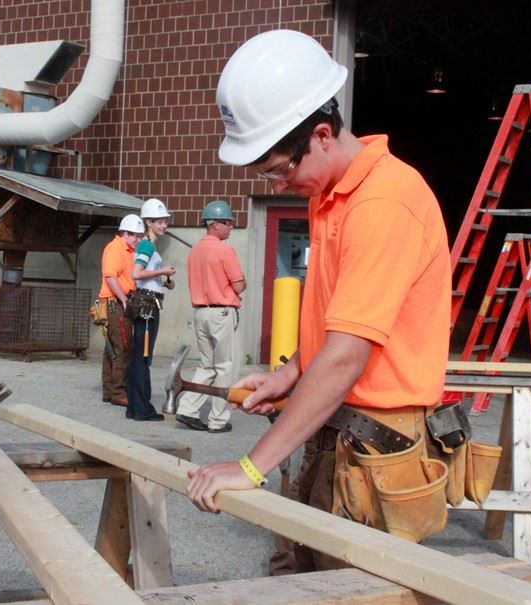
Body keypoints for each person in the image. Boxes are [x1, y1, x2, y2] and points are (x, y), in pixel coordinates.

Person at [185, 30, 452, 572]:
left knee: (349, 587)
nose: (280, 185)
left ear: (323, 135)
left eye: (281, 169)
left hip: (377, 448)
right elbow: (339, 325)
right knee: (299, 574)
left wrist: (252, 465)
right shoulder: (331, 196)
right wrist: (291, 373)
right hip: (337, 429)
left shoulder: (385, 202)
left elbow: (349, 354)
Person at [174, 199, 246, 433]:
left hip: (200, 312)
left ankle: (187, 408)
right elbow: (239, 285)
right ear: (215, 224)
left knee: (207, 365)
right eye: (228, 222)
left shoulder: (195, 251)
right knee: (226, 367)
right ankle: (218, 420)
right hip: (222, 312)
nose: (231, 227)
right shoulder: (225, 250)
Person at [125, 198, 176, 421]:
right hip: (147, 307)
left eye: (165, 221)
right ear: (149, 222)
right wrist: (162, 270)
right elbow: (136, 274)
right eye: (160, 222)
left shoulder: (148, 246)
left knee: (140, 356)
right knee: (142, 356)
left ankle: (135, 406)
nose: (164, 225)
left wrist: (164, 281)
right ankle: (141, 407)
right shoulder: (147, 245)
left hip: (149, 302)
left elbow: (145, 277)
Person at [99, 214, 145, 407]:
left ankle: (109, 390)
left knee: (112, 348)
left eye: (140, 236)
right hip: (114, 302)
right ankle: (118, 392)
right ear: (125, 233)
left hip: (113, 302)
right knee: (123, 347)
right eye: (135, 235)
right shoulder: (116, 248)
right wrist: (125, 300)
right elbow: (111, 277)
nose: (138, 239)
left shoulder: (126, 249)